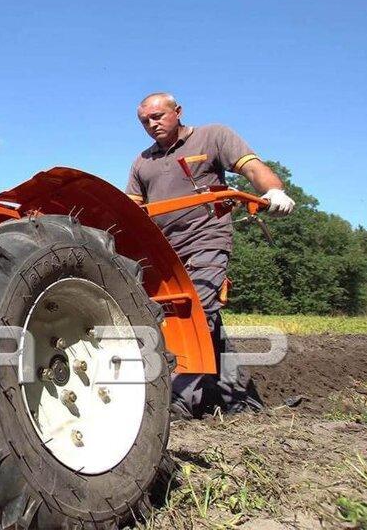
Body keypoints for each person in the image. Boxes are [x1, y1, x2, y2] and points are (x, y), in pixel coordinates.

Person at [126, 92, 295, 418]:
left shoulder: (212, 136)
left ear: (178, 111)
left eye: (159, 116)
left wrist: (274, 191)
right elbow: (131, 211)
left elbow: (253, 167)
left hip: (207, 240)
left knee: (192, 311)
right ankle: (241, 405)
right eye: (145, 121)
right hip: (164, 253)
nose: (152, 124)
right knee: (208, 322)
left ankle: (178, 399)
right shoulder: (142, 162)